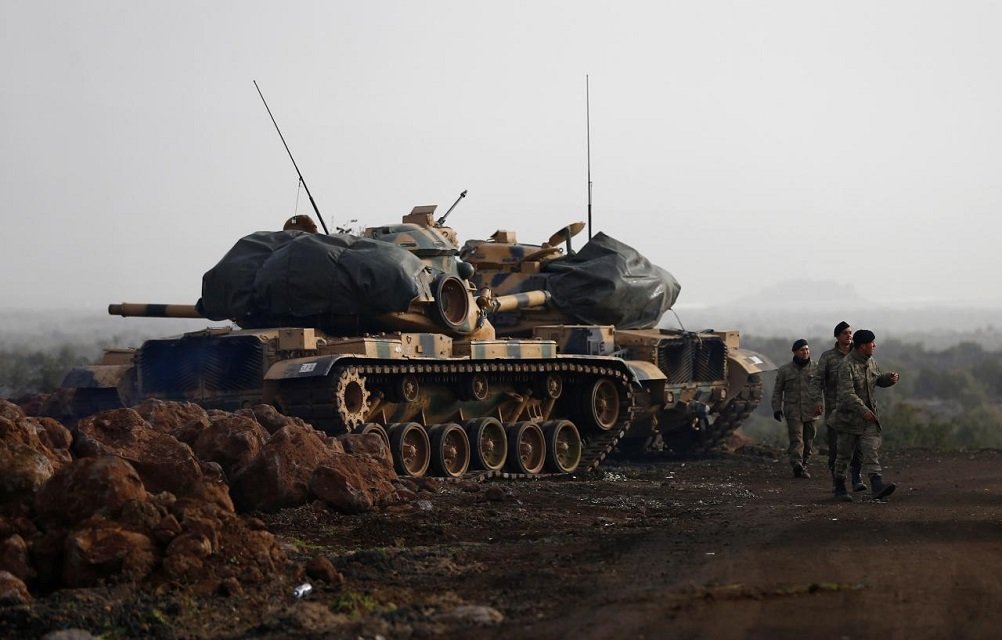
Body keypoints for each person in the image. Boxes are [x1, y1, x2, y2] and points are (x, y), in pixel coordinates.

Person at [831, 329, 900, 501]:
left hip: (868, 418)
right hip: (848, 419)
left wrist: (889, 379)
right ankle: (839, 487)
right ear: (862, 346)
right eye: (872, 343)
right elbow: (847, 394)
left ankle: (877, 485)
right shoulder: (846, 365)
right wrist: (863, 410)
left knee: (871, 450)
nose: (874, 346)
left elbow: (875, 380)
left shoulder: (871, 362)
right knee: (844, 455)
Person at [811, 321, 866, 493]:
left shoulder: (859, 355)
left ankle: (857, 478)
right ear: (837, 336)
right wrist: (816, 401)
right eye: (844, 333)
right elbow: (817, 380)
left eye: (850, 332)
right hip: (835, 410)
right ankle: (838, 482)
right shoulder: (828, 357)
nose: (848, 335)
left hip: (857, 409)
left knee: (858, 446)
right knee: (836, 447)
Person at [771, 338, 821, 478]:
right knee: (797, 439)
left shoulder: (816, 368)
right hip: (793, 410)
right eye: (802, 350)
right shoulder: (785, 370)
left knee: (809, 441)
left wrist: (820, 404)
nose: (805, 352)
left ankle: (804, 464)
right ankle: (797, 464)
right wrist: (776, 408)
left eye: (807, 349)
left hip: (811, 410)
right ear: (795, 352)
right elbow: (777, 391)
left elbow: (820, 388)